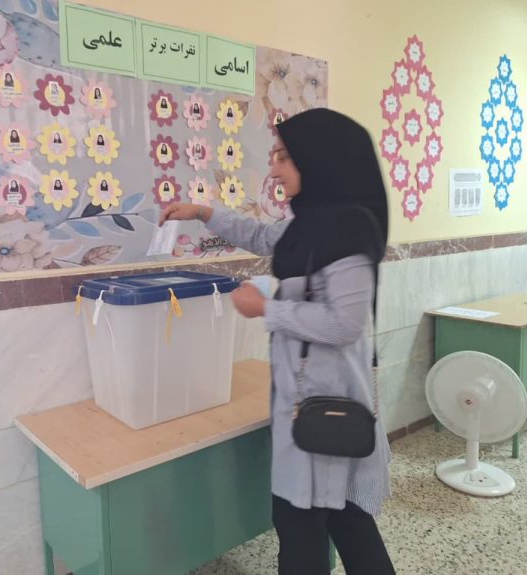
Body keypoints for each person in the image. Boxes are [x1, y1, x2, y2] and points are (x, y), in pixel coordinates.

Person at [160, 108, 394, 575]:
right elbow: (264, 236)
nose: (273, 169)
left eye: (284, 157)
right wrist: (203, 212)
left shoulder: (350, 232)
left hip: (327, 402)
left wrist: (267, 308)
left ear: (319, 160)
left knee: (306, 525)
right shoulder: (312, 223)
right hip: (305, 395)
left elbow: (344, 324)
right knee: (342, 519)